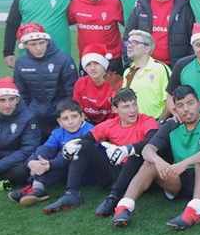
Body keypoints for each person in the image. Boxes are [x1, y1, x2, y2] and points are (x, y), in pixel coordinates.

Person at [111, 84, 200, 231]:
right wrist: (159, 161)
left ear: (199, 104)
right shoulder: (172, 125)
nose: (186, 109)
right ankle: (124, 206)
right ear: (175, 110)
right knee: (150, 162)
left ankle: (195, 210)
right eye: (181, 106)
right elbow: (147, 149)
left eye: (190, 103)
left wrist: (185, 162)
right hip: (178, 179)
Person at [45, 87, 159, 216]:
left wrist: (127, 149)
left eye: (134, 105)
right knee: (83, 146)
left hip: (138, 176)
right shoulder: (110, 124)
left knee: (138, 153)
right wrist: (71, 145)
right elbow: (87, 138)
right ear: (115, 109)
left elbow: (153, 141)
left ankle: (113, 198)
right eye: (126, 106)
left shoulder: (147, 121)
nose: (132, 110)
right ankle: (72, 194)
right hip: (113, 173)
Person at [14, 99, 91, 207]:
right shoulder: (59, 132)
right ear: (59, 122)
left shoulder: (89, 130)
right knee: (44, 150)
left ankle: (36, 187)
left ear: (82, 116)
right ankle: (37, 188)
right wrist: (31, 162)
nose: (70, 122)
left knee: (62, 155)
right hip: (60, 166)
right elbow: (44, 149)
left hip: (82, 171)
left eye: (74, 116)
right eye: (65, 118)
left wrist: (50, 164)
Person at [11, 23, 79, 138]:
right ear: (25, 45)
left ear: (47, 41)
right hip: (35, 116)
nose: (38, 48)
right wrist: (28, 114)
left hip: (62, 116)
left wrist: (66, 116)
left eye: (41, 43)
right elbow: (22, 94)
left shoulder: (64, 60)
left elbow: (71, 92)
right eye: (33, 44)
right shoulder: (21, 63)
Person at [126, 0, 192, 65]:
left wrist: (186, 65)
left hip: (174, 66)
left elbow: (191, 38)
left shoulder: (183, 8)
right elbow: (128, 36)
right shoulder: (141, 7)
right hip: (145, 65)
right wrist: (128, 61)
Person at [119, 29, 171, 120]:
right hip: (134, 125)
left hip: (154, 124)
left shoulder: (160, 69)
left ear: (147, 49)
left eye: (135, 42)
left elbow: (170, 99)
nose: (129, 46)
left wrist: (160, 122)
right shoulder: (127, 72)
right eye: (129, 42)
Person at [73, 51, 119, 125]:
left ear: (104, 65)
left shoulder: (117, 83)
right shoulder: (80, 83)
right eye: (88, 64)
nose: (92, 68)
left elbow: (121, 112)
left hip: (113, 125)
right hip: (88, 125)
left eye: (97, 63)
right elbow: (77, 110)